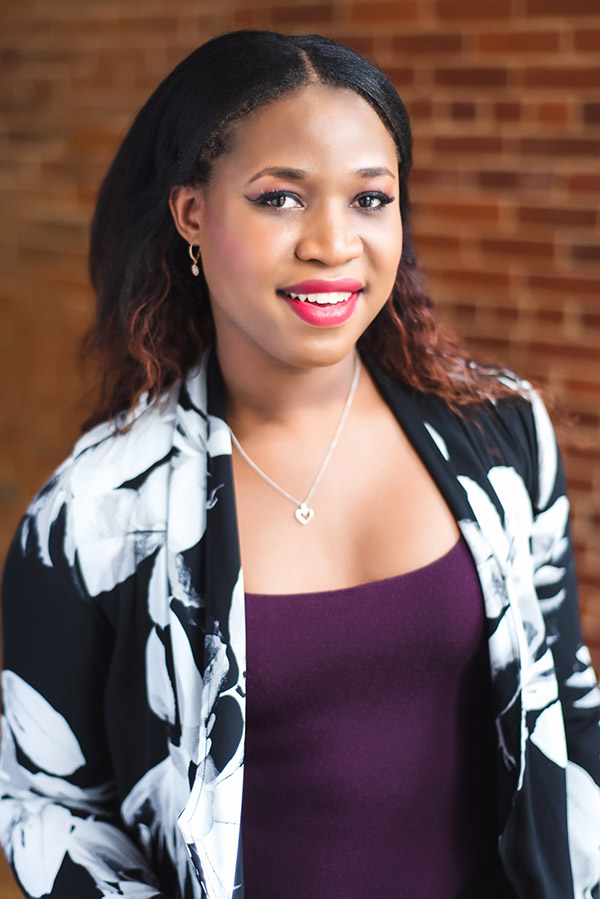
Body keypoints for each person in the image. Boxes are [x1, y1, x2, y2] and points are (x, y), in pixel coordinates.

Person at [0, 28, 598, 899]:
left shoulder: (501, 434)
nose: (332, 243)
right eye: (280, 199)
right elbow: (49, 807)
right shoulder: (91, 514)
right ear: (193, 214)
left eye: (370, 199)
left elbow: (569, 704)